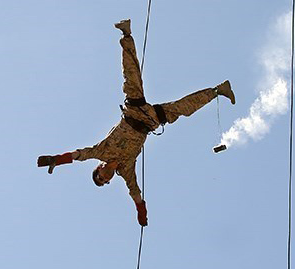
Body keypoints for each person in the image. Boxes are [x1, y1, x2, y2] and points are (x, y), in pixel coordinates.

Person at [37, 19, 236, 226]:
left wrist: (56, 160)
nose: (106, 178)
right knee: (185, 107)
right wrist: (142, 214)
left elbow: (78, 155)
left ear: (99, 168)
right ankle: (219, 90)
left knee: (131, 75)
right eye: (105, 181)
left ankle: (126, 34)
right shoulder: (126, 170)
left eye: (101, 177)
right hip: (152, 119)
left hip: (134, 110)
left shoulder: (101, 152)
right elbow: (135, 193)